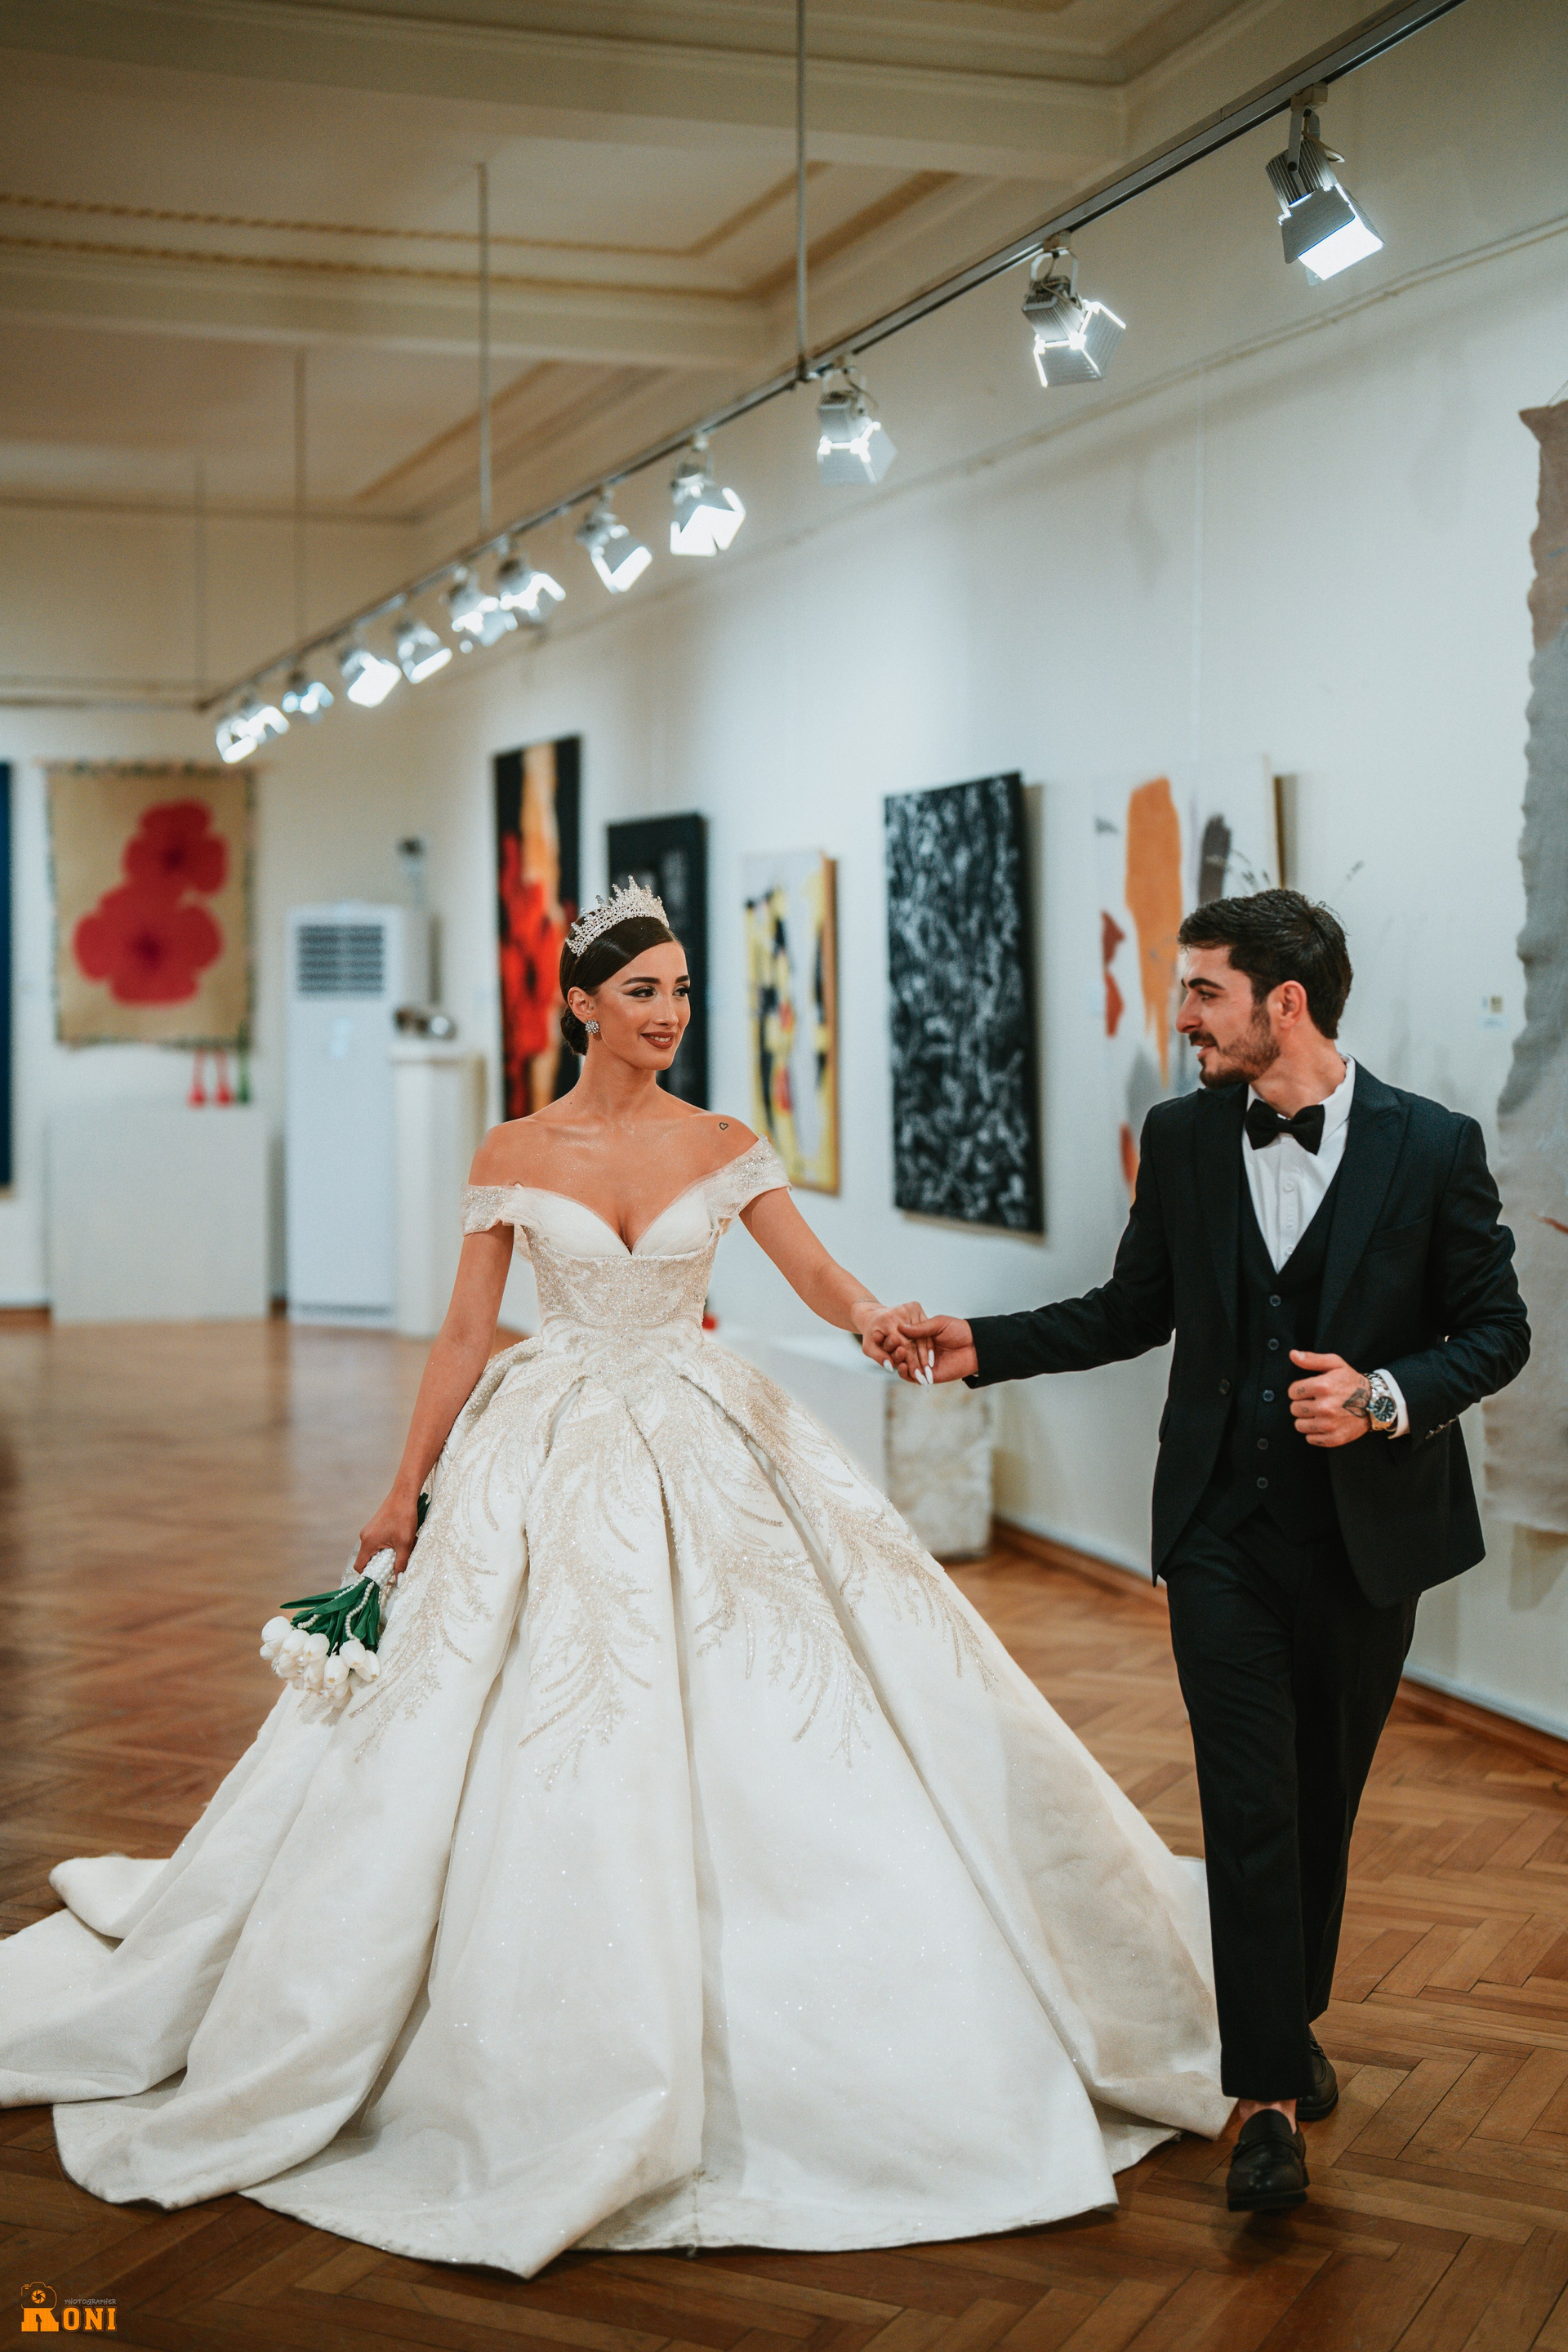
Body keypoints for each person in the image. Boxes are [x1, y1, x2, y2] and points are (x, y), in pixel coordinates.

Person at [0, 881, 1230, 2279]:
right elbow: (465, 1334)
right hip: (548, 1435)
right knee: (506, 1703)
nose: (670, 1013)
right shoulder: (517, 1149)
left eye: (683, 991)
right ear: (582, 1005)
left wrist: (880, 1319)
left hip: (706, 1424)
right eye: (644, 991)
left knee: (797, 1686)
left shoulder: (726, 1142)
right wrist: (402, 1490)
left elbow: (818, 1277)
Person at [893, 889, 1530, 2216]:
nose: (1180, 1016)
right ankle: (1267, 2103)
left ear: (1282, 1004)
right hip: (1219, 1533)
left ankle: (1289, 2021)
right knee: (1248, 1803)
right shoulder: (1184, 1138)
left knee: (1320, 1801)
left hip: (1368, 1543)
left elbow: (1496, 1329)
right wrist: (979, 1347)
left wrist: (1385, 1396)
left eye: (1202, 991)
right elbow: (1132, 1309)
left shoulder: (1433, 1145)